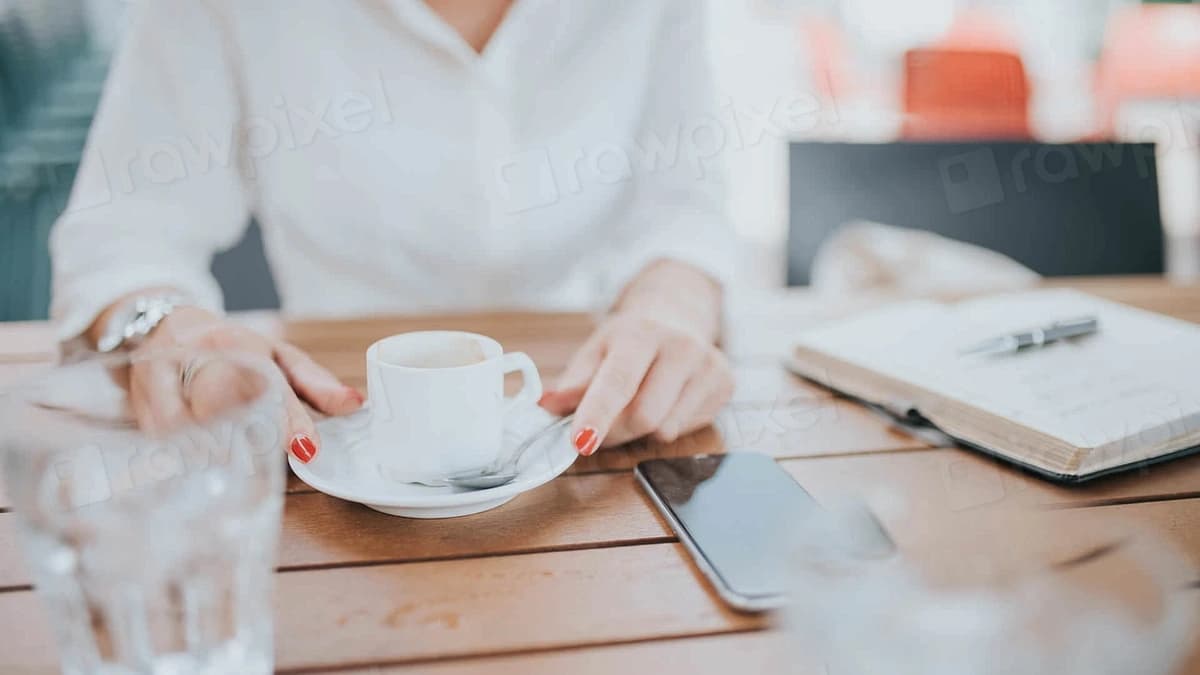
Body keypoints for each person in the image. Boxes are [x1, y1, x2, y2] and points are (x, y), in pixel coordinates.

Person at [50, 0, 737, 464]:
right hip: (324, 441)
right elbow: (120, 238)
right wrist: (173, 333)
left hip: (585, 436)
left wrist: (667, 313)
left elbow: (685, 206)